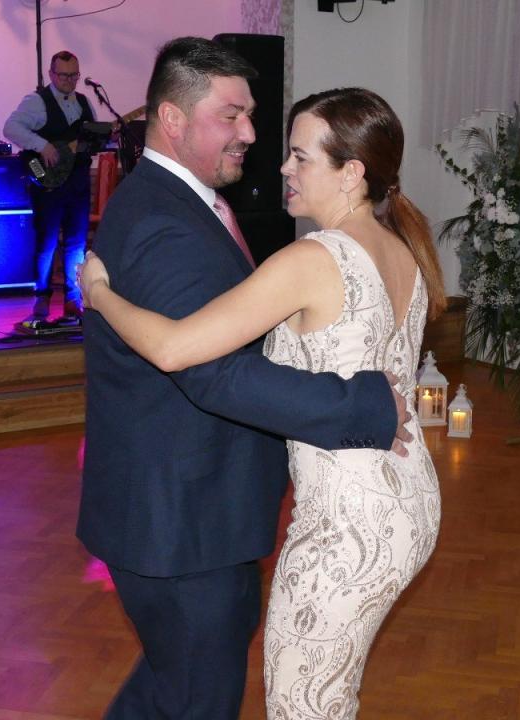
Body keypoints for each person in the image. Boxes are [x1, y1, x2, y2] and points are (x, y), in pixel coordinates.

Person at [80, 86, 443, 720]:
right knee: (331, 695)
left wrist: (100, 293)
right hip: (409, 500)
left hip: (344, 526)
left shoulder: (312, 258)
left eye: (301, 157)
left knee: (306, 705)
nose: (282, 168)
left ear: (351, 173)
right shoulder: (403, 248)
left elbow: (173, 348)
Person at [3, 50, 95, 326]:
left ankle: (73, 299)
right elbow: (11, 128)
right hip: (48, 181)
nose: (69, 80)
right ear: (51, 74)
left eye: (74, 75)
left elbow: (90, 139)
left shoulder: (84, 102)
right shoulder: (36, 101)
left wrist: (106, 137)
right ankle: (41, 298)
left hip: (77, 179)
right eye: (63, 75)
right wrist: (42, 145)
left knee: (77, 242)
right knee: (47, 240)